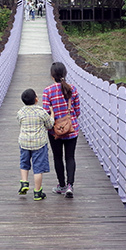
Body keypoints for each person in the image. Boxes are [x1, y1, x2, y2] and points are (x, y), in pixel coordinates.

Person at [42, 62, 80, 198]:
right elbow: (77, 111)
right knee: (70, 157)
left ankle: (62, 185)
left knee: (58, 157)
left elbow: (46, 112)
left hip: (54, 131)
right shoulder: (73, 89)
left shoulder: (48, 91)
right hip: (72, 128)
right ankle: (70, 185)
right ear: (65, 74)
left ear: (52, 75)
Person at [17, 88, 54, 200]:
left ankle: (24, 183)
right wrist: (52, 114)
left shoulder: (20, 112)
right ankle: (37, 192)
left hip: (24, 142)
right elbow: (49, 125)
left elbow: (20, 123)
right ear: (36, 99)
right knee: (38, 168)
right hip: (39, 143)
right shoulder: (41, 111)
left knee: (24, 163)